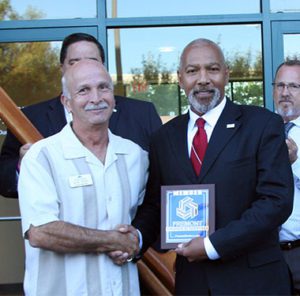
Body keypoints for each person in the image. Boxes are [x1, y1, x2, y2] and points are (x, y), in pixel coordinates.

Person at [131, 38, 294, 295]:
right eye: (193, 70)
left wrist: (211, 246)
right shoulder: (164, 138)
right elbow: (155, 205)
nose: (203, 79)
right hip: (193, 283)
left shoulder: (262, 125)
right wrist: (134, 238)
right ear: (180, 78)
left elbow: (276, 201)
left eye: (213, 69)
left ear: (226, 74)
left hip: (255, 282)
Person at [18, 59, 148, 296]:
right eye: (83, 90)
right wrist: (113, 240)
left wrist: (135, 240)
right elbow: (40, 232)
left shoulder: (135, 156)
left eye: (103, 87)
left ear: (113, 96)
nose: (96, 97)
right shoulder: (42, 157)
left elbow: (148, 215)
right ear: (66, 102)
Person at [0, 32, 161, 198]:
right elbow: (4, 181)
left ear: (103, 66)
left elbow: (161, 176)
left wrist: (141, 224)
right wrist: (23, 166)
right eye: (74, 62)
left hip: (130, 221)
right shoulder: (28, 119)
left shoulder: (142, 113)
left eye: (91, 61)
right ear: (62, 68)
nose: (83, 68)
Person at [273, 60, 300, 295]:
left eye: (293, 86)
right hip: (267, 255)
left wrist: (291, 165)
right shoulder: (258, 130)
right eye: (280, 85)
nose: (285, 93)